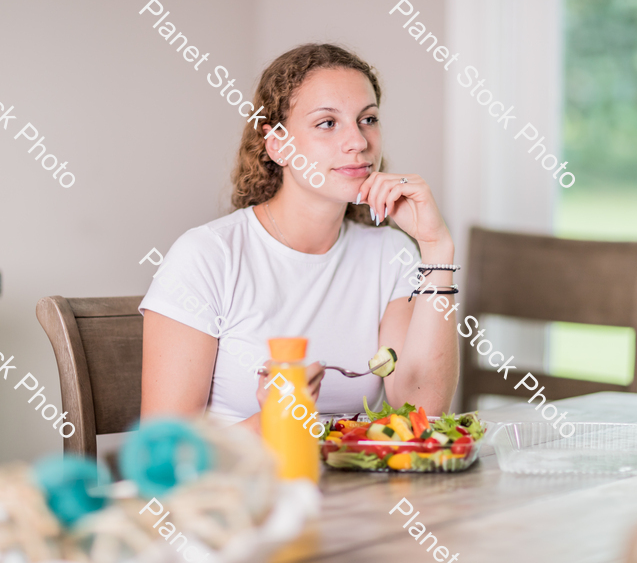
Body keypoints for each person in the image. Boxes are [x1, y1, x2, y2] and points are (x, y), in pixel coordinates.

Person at [139, 43, 459, 432]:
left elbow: (422, 412)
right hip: (242, 487)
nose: (358, 142)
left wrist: (436, 248)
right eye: (327, 123)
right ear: (277, 144)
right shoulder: (208, 256)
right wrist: (276, 420)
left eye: (368, 119)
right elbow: (163, 456)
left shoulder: (390, 254)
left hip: (349, 490)